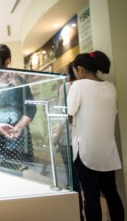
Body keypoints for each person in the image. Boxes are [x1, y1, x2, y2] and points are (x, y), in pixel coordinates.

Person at [67, 50, 124, 221]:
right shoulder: (110, 86)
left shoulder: (78, 86)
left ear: (80, 69)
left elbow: (70, 116)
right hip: (107, 150)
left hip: (85, 149)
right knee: (111, 192)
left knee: (91, 195)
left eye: (75, 71)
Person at [52, 62, 84, 221]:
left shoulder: (66, 87)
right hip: (85, 140)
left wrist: (56, 135)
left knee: (74, 181)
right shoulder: (87, 86)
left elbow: (62, 115)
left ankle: (78, 213)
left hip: (68, 141)